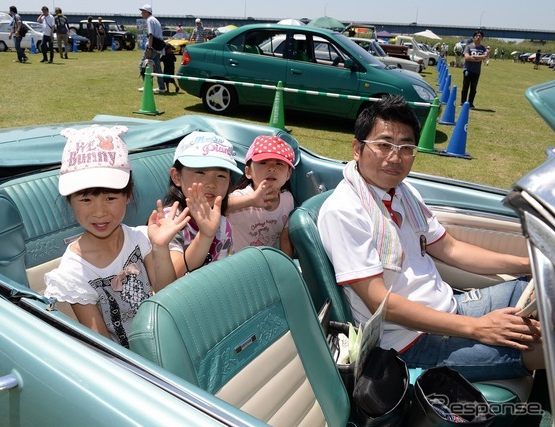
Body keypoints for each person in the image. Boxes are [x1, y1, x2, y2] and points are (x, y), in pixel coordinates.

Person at [317, 95, 543, 382]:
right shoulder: (344, 211)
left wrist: (528, 264)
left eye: (406, 147)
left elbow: (450, 248)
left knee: (544, 292)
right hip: (408, 342)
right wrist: (477, 328)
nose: (395, 157)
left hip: (450, 308)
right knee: (541, 345)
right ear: (357, 149)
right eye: (384, 144)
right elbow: (380, 303)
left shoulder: (404, 194)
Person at [44, 125, 190, 348]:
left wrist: (160, 247)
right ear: (70, 201)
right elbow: (102, 343)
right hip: (128, 359)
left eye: (111, 198)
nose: (99, 212)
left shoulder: (140, 239)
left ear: (128, 195)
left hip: (159, 338)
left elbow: (165, 294)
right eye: (85, 199)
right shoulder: (74, 272)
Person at [163, 131, 241, 277]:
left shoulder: (223, 225)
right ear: (176, 176)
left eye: (221, 175)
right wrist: (205, 235)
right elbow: (170, 279)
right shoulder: (170, 221)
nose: (211, 183)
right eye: (200, 172)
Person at [227, 135, 295, 257]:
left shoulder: (287, 199)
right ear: (248, 172)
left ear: (288, 174)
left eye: (279, 163)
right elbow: (219, 206)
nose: (272, 168)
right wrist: (251, 200)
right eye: (263, 162)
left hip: (264, 263)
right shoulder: (242, 196)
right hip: (236, 264)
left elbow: (285, 239)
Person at [138, 4, 166, 94]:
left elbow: (151, 35)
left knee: (142, 65)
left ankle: (147, 87)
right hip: (159, 47)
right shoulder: (155, 20)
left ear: (147, 12)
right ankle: (162, 88)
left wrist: (149, 48)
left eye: (142, 11)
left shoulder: (149, 20)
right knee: (158, 69)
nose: (141, 13)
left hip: (152, 47)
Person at [460, 31, 487, 109]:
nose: (478, 37)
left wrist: (474, 57)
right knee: (465, 86)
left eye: (480, 36)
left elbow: (484, 57)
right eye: (477, 36)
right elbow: (467, 57)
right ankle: (463, 102)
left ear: (482, 38)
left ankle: (470, 103)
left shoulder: (483, 48)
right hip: (468, 69)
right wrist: (478, 58)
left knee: (473, 87)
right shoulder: (468, 47)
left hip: (476, 71)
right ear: (474, 37)